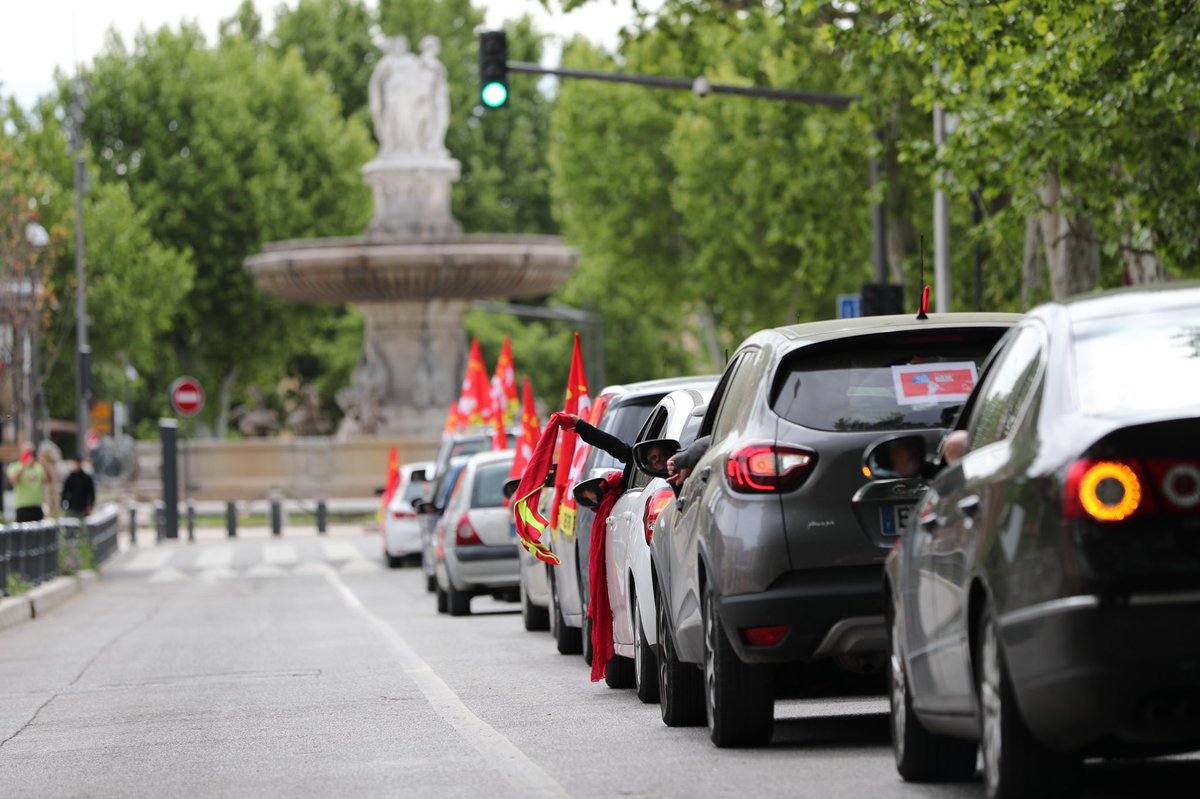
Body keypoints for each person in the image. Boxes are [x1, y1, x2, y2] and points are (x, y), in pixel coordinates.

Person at [6, 442, 47, 522]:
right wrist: (24, 465)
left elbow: (48, 480)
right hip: (23, 507)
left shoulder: (38, 467)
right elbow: (13, 481)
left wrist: (45, 465)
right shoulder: (15, 466)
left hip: (37, 506)